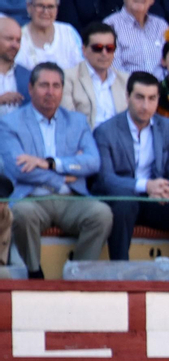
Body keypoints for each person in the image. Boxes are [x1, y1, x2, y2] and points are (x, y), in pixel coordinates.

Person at [0, 63, 111, 278]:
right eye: (44, 85)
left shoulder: (77, 121)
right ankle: (34, 273)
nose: (50, 92)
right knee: (21, 214)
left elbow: (93, 162)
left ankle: (78, 274)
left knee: (102, 214)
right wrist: (64, 177)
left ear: (62, 89)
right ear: (30, 89)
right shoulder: (9, 123)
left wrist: (50, 163)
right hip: (31, 198)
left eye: (56, 86)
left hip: (72, 199)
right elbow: (18, 169)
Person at [91, 70, 169, 259]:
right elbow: (105, 179)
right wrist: (146, 186)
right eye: (139, 98)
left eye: (152, 98)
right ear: (127, 96)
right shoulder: (106, 130)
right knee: (124, 201)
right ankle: (121, 271)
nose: (146, 105)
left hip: (157, 200)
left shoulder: (166, 126)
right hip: (124, 200)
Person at [63, 22, 126, 129]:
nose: (104, 53)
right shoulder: (68, 78)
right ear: (84, 50)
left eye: (109, 48)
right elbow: (69, 122)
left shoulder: (125, 79)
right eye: (98, 48)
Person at [106, 0, 167, 77]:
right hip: (127, 86)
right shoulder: (111, 25)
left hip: (163, 86)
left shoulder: (161, 25)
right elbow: (114, 69)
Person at [18, 0, 83, 71]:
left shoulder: (68, 32)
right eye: (40, 6)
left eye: (50, 7)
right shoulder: (18, 37)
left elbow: (81, 70)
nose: (45, 11)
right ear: (29, 7)